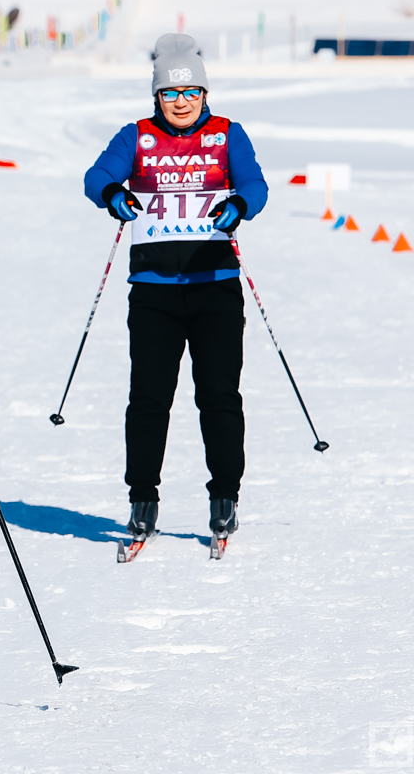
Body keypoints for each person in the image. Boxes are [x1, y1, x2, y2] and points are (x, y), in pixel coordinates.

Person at [82, 34, 268, 549]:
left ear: (205, 94)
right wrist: (112, 192)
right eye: (170, 93)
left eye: (190, 93)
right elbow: (95, 176)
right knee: (148, 399)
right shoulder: (136, 137)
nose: (180, 102)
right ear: (156, 96)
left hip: (215, 289)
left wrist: (240, 206)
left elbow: (255, 185)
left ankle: (225, 497)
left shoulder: (227, 135)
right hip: (154, 293)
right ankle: (142, 501)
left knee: (219, 397)